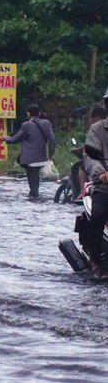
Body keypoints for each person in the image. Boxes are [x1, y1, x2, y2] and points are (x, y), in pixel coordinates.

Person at [1, 103, 55, 199]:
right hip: (42, 159)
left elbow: (16, 139)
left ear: (29, 114)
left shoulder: (26, 125)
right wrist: (51, 154)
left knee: (33, 184)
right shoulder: (47, 123)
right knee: (36, 182)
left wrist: (5, 138)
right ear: (39, 113)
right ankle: (36, 197)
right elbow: (52, 139)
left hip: (30, 160)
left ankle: (34, 200)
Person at [83, 88, 108, 273]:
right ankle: (95, 257)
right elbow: (90, 155)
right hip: (105, 185)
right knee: (98, 215)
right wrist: (101, 173)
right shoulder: (98, 129)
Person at [71, 105, 107, 200]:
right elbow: (90, 144)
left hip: (102, 164)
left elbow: (90, 145)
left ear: (97, 117)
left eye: (92, 119)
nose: (91, 121)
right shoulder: (98, 127)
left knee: (82, 168)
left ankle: (82, 192)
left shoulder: (99, 128)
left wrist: (77, 149)